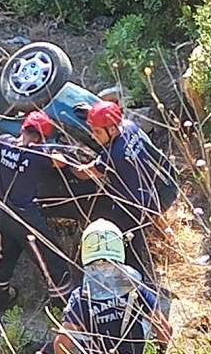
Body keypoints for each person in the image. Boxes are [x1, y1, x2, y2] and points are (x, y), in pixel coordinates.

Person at [0, 110, 74, 314]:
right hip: (24, 217)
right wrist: (48, 150)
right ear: (42, 137)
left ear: (22, 128)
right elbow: (61, 162)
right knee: (51, 256)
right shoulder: (37, 156)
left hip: (3, 212)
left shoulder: (5, 142)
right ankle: (62, 304)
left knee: (6, 255)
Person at [69, 100, 159, 287]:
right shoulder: (130, 127)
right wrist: (93, 115)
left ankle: (135, 288)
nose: (93, 137)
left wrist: (68, 162)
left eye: (97, 132)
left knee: (127, 247)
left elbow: (85, 173)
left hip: (131, 207)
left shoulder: (113, 155)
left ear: (111, 130)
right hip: (147, 195)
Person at [51, 218, 173, 354]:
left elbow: (61, 343)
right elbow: (164, 329)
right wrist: (161, 350)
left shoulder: (82, 296)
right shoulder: (136, 288)